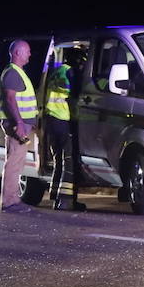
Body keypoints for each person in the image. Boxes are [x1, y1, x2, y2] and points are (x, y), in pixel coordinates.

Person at [0, 39, 39, 213]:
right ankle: (10, 202)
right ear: (17, 53)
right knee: (14, 162)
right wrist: (19, 123)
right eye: (27, 51)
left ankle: (13, 199)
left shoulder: (17, 72)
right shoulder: (13, 73)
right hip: (18, 125)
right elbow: (10, 99)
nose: (30, 54)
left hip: (21, 124)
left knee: (17, 161)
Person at [44, 47, 87, 211]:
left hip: (51, 119)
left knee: (58, 160)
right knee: (69, 161)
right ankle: (66, 201)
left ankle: (55, 195)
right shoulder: (71, 73)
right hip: (64, 119)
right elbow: (76, 96)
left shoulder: (57, 71)